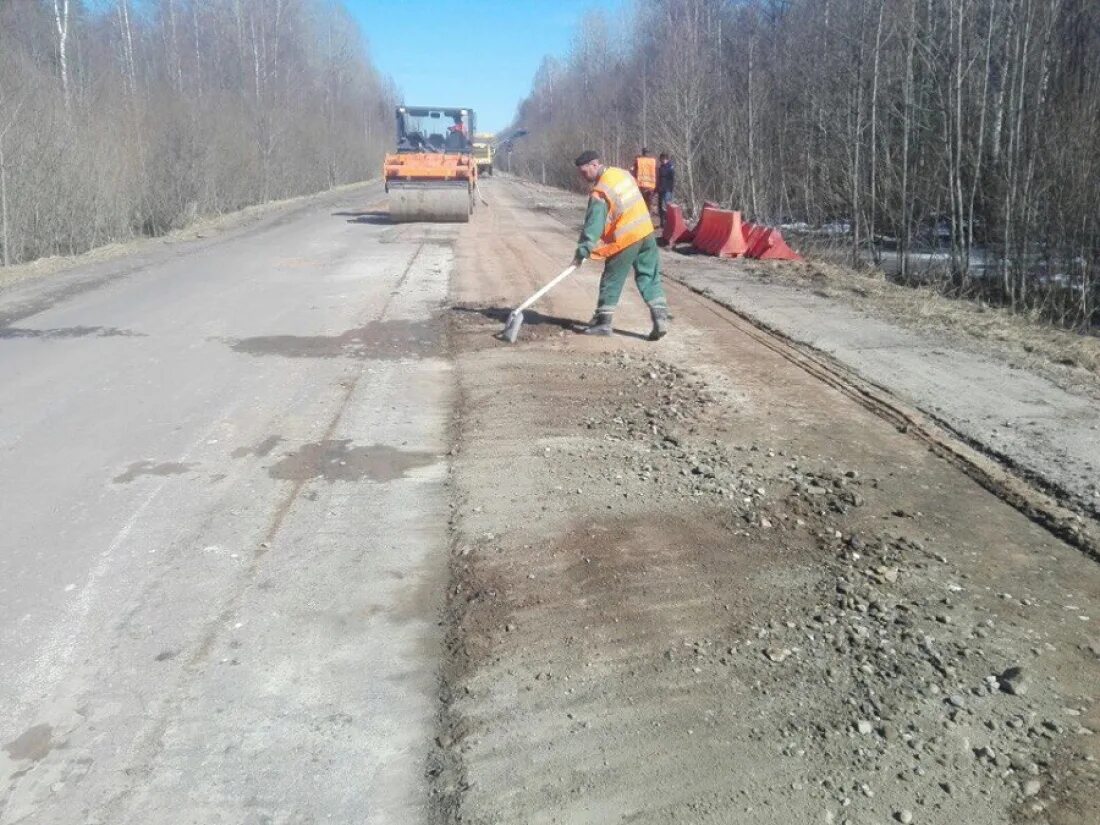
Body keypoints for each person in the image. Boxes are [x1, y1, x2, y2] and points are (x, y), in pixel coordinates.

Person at [571, 150, 669, 340]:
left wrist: (582, 251)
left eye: (584, 172)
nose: (583, 177)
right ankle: (660, 316)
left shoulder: (600, 192)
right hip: (647, 231)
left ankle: (603, 323)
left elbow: (593, 227)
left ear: (594, 164)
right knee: (649, 276)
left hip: (626, 238)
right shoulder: (621, 174)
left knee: (611, 279)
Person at [630, 147, 657, 214]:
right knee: (649, 202)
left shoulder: (638, 161)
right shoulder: (653, 161)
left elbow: (633, 171)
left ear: (642, 153)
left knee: (641, 202)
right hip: (651, 186)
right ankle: (648, 216)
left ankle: (642, 216)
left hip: (640, 185)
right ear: (649, 153)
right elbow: (657, 173)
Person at [657, 152, 675, 227]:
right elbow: (659, 178)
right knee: (660, 207)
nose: (663, 160)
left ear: (667, 159)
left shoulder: (670, 167)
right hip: (660, 190)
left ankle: (669, 223)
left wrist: (670, 189)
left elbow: (672, 179)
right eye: (661, 159)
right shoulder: (660, 167)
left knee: (667, 206)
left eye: (664, 159)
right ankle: (662, 223)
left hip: (667, 190)